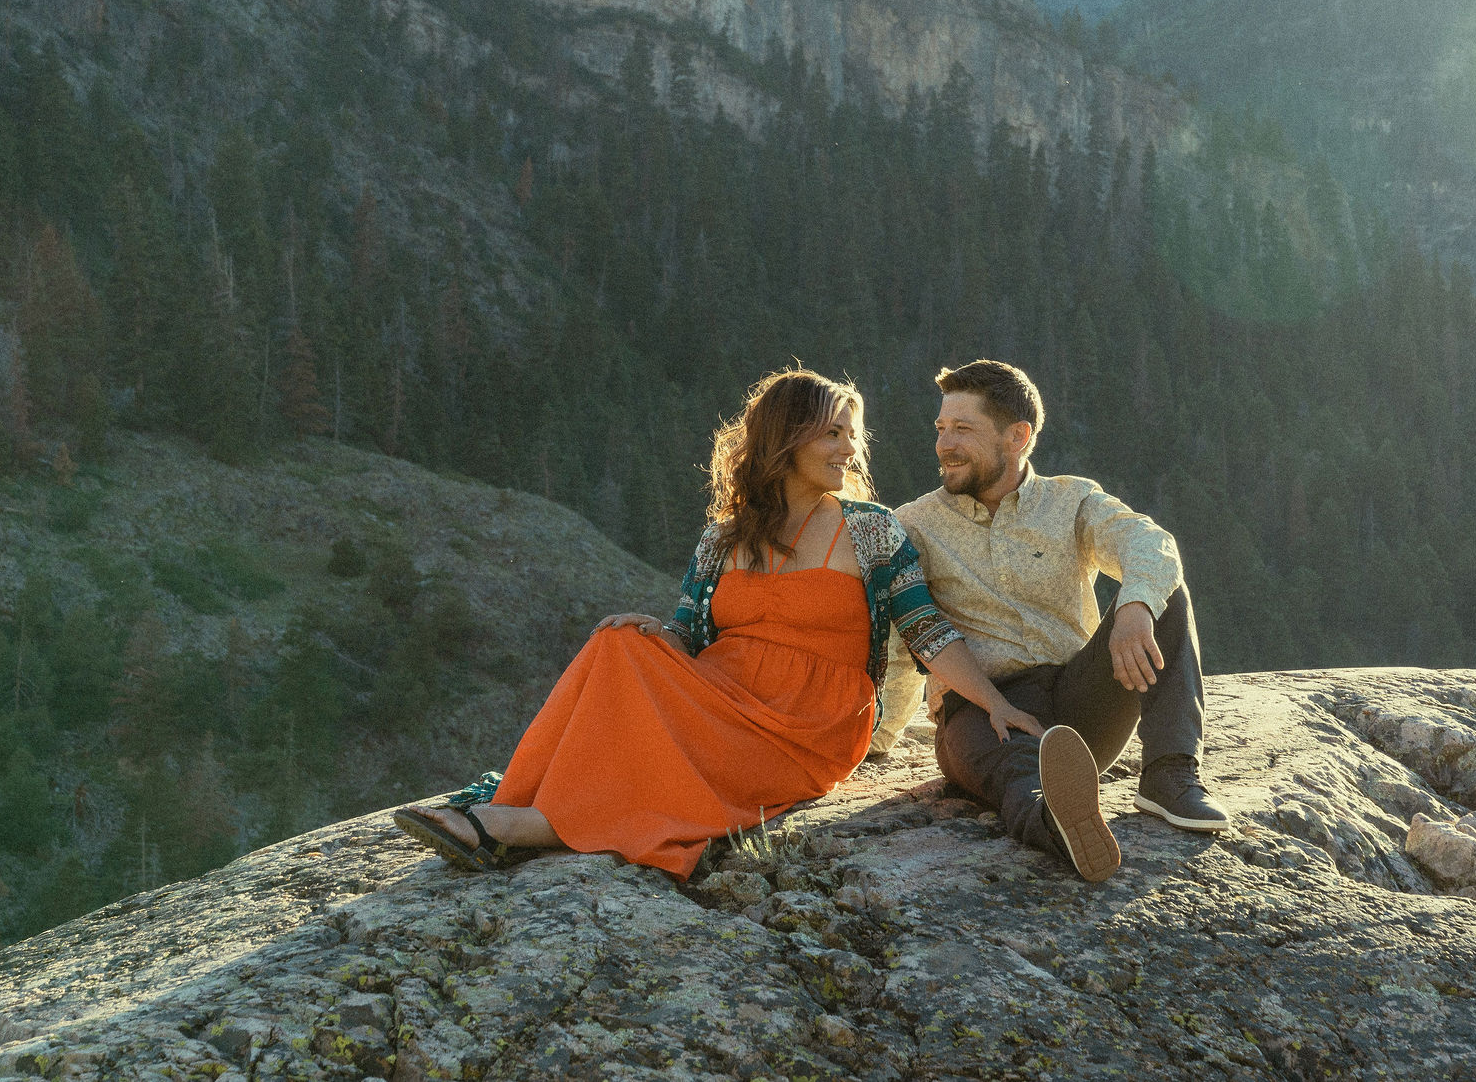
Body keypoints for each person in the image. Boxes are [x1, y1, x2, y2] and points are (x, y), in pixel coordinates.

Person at [393, 367, 1041, 879]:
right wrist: (660, 633)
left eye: (852, 434)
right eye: (833, 433)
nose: (851, 448)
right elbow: (687, 631)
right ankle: (514, 804)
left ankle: (517, 826)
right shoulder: (725, 537)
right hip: (720, 691)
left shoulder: (870, 528)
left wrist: (991, 701)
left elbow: (925, 628)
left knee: (637, 710)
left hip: (810, 719)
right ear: (785, 440)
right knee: (616, 641)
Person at [893, 359, 1230, 884]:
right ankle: (1061, 822)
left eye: (963, 429)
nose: (944, 444)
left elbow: (1150, 543)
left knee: (1165, 595)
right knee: (1019, 775)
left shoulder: (1071, 500)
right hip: (982, 709)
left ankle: (1169, 776)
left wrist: (1135, 607)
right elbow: (906, 631)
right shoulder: (913, 524)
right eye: (940, 428)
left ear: (1017, 437)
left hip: (1078, 702)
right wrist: (882, 733)